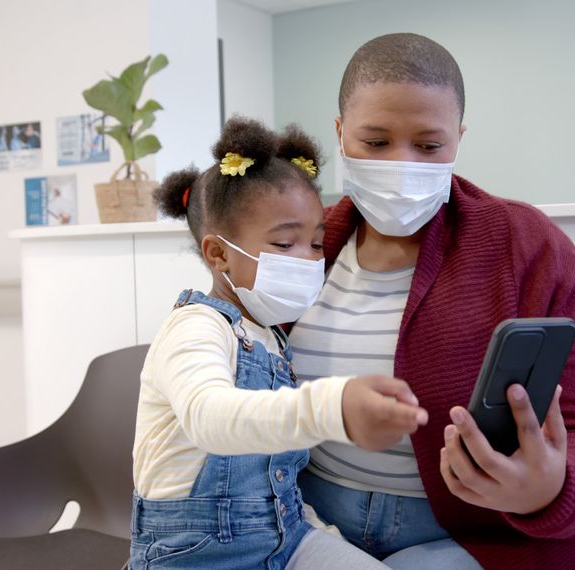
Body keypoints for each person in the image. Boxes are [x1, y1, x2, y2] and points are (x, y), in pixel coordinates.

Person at [288, 34, 575, 569]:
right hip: (306, 517)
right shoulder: (297, 245)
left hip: (474, 534)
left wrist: (546, 491)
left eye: (428, 146)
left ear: (459, 139)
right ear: (340, 134)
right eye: (375, 142)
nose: (401, 164)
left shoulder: (528, 247)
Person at [130, 117, 429, 569]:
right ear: (218, 254)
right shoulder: (195, 328)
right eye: (286, 243)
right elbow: (211, 418)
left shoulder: (270, 337)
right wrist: (334, 409)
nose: (309, 260)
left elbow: (276, 479)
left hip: (286, 539)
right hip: (193, 555)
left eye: (315, 243)